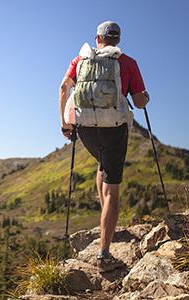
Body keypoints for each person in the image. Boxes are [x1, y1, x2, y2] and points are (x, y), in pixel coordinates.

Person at [59, 21, 149, 263]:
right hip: (114, 128)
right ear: (118, 40)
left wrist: (65, 124)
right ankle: (104, 253)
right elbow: (139, 102)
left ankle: (104, 221)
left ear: (97, 38)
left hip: (85, 127)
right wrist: (145, 97)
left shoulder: (80, 61)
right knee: (112, 190)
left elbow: (63, 87)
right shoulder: (127, 62)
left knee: (102, 163)